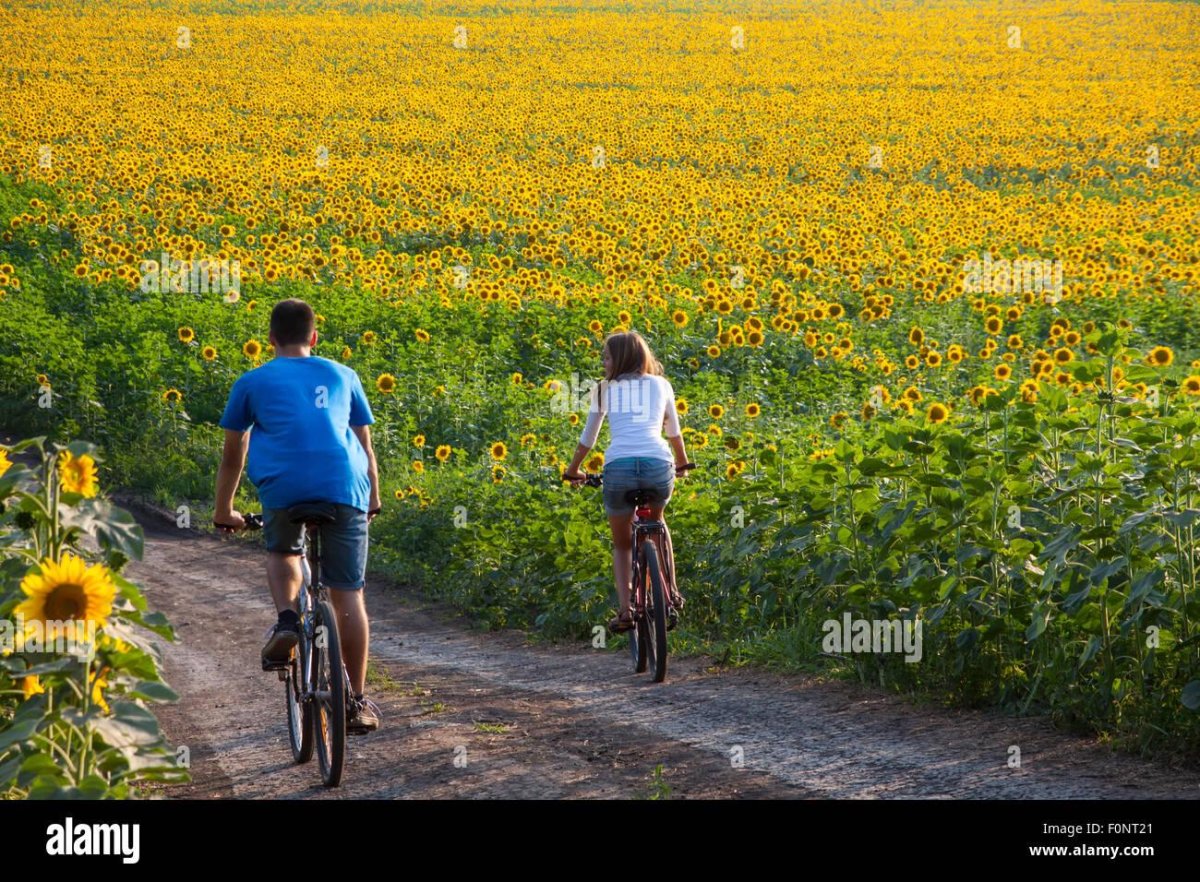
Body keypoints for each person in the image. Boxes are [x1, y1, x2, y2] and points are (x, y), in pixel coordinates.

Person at [213, 298, 383, 734]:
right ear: (314, 337)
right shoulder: (344, 375)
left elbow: (233, 456)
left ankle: (288, 619)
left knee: (284, 551)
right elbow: (365, 447)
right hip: (345, 487)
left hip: (284, 487)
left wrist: (224, 511)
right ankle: (355, 701)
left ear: (270, 339)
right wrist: (373, 499)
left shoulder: (251, 381)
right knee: (349, 594)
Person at [563, 330, 691, 633]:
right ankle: (671, 592)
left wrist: (573, 470)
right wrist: (683, 463)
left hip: (618, 469)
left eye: (607, 357)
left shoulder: (604, 389)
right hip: (658, 465)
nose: (604, 364)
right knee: (657, 525)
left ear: (620, 359)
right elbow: (673, 432)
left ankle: (626, 610)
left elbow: (588, 439)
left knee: (622, 545)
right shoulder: (662, 384)